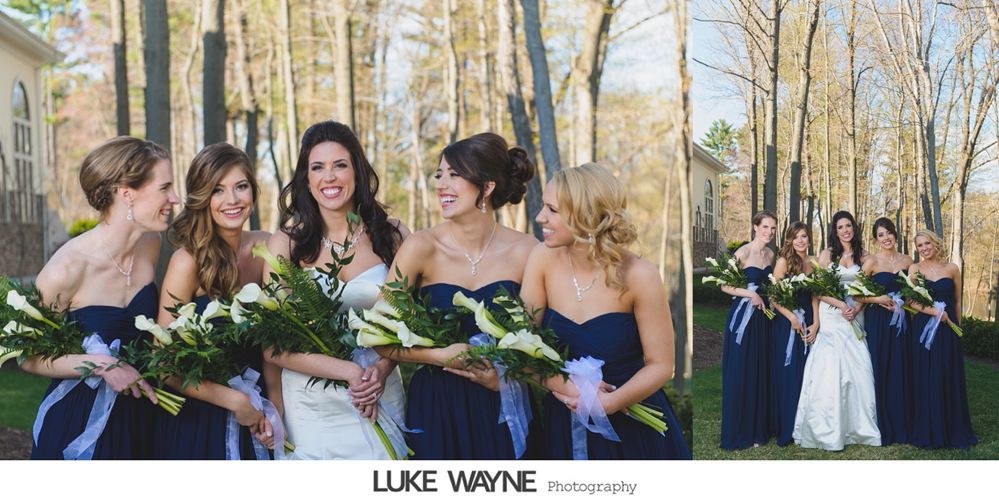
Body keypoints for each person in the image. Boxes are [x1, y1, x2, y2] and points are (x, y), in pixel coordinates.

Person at [378, 132, 538, 459]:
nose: (441, 184)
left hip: (501, 404)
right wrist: (437, 356)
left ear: (487, 187)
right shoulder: (420, 247)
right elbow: (377, 336)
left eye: (454, 174)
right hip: (437, 406)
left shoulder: (528, 252)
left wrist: (506, 377)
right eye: (439, 174)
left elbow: (541, 342)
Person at [522, 163, 691, 459]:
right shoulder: (542, 260)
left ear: (585, 215)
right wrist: (567, 387)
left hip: (633, 426)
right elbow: (519, 347)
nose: (540, 217)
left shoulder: (641, 274)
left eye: (552, 210)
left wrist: (609, 404)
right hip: (563, 424)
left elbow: (661, 365)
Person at [263, 120, 409, 459]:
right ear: (307, 180)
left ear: (356, 172)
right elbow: (272, 346)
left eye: (339, 165)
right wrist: (347, 371)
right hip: (312, 410)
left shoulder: (394, 236)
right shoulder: (285, 245)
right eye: (318, 167)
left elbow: (413, 323)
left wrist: (380, 371)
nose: (329, 177)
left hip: (378, 393)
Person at [25, 136, 177, 459]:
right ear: (126, 193)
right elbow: (28, 356)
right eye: (165, 188)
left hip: (142, 417)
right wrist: (100, 364)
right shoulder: (66, 269)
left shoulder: (151, 244)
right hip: (79, 422)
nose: (174, 198)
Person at [153, 143, 275, 459]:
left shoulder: (268, 248)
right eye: (218, 190)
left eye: (240, 187)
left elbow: (277, 345)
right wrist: (234, 401)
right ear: (202, 197)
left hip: (261, 417)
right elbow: (162, 363)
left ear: (253, 191)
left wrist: (276, 410)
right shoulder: (187, 262)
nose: (232, 200)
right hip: (202, 421)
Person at [793, 210, 880, 451]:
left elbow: (868, 290)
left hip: (854, 316)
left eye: (849, 225)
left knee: (858, 366)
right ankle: (824, 426)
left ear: (854, 228)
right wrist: (839, 306)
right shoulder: (826, 255)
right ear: (835, 230)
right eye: (841, 227)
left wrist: (857, 306)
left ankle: (858, 427)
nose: (845, 230)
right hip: (832, 316)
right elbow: (817, 291)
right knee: (827, 368)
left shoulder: (866, 258)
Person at [906, 229, 976, 449]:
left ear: (935, 243)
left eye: (927, 243)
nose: (924, 248)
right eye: (920, 246)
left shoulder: (952, 269)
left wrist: (958, 329)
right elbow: (909, 301)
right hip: (924, 328)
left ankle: (951, 428)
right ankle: (929, 429)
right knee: (926, 375)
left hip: (948, 329)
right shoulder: (915, 269)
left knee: (946, 373)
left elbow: (956, 302)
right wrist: (934, 312)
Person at [719, 210, 776, 450]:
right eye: (765, 227)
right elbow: (724, 284)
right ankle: (740, 429)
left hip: (765, 318)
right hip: (744, 316)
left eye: (773, 228)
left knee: (761, 369)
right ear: (755, 227)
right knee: (743, 369)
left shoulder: (771, 255)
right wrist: (750, 293)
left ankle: (758, 429)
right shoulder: (742, 253)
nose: (769, 232)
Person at [855, 217, 913, 445]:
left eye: (888, 232)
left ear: (895, 234)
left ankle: (903, 422)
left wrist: (904, 301)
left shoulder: (908, 261)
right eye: (880, 235)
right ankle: (881, 423)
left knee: (901, 367)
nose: (886, 238)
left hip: (901, 321)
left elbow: (914, 293)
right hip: (878, 321)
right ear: (875, 239)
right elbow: (855, 293)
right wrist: (876, 298)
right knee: (882, 367)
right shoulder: (871, 262)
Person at [770, 222, 818, 446]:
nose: (801, 241)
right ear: (789, 240)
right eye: (796, 237)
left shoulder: (812, 263)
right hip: (787, 322)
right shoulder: (783, 262)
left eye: (804, 236)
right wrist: (791, 318)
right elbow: (774, 297)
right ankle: (787, 427)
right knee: (789, 373)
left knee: (808, 373)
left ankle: (805, 425)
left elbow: (816, 296)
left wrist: (816, 323)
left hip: (808, 320)